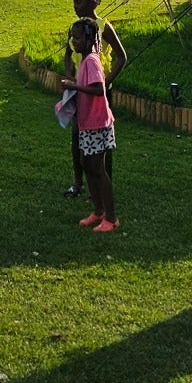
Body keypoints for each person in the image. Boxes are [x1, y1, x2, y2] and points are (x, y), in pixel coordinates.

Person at [61, 0, 127, 197]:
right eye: (73, 2)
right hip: (79, 90)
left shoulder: (102, 26)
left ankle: (102, 183)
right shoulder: (75, 27)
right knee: (77, 137)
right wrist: (70, 76)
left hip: (99, 92)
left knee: (101, 142)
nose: (75, 7)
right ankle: (79, 182)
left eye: (79, 2)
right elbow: (68, 55)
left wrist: (106, 81)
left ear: (93, 2)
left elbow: (121, 56)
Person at [70, 19, 118, 231]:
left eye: (78, 37)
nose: (74, 41)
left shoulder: (91, 61)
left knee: (98, 168)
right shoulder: (84, 60)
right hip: (87, 123)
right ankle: (98, 211)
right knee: (87, 164)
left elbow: (99, 89)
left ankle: (111, 218)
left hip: (98, 123)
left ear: (89, 39)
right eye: (73, 36)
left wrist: (75, 86)